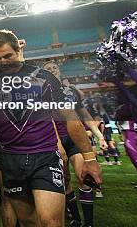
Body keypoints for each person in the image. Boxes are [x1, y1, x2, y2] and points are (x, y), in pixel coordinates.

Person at [0, 29, 103, 227]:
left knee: (51, 222)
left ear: (18, 51)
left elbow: (71, 119)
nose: (4, 62)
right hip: (10, 161)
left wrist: (89, 158)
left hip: (45, 157)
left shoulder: (44, 78)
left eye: (8, 56)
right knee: (29, 222)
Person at [43, 61, 106, 227]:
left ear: (59, 70)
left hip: (74, 139)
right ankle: (76, 219)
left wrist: (100, 136)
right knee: (64, 181)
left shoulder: (71, 91)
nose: (51, 70)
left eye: (54, 68)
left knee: (84, 178)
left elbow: (84, 115)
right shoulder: (41, 92)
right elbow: (47, 120)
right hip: (54, 140)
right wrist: (58, 144)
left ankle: (89, 223)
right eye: (47, 69)